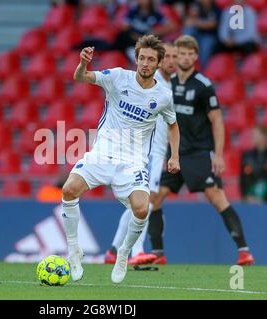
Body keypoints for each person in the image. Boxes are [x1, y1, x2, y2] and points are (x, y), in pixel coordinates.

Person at [61, 34, 181, 284]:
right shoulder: (118, 77)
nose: (145, 63)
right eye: (142, 58)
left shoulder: (163, 96)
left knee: (141, 208)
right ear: (136, 59)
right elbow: (80, 77)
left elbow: (172, 125)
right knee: (69, 189)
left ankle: (124, 252)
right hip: (103, 153)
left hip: (133, 162)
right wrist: (83, 63)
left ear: (158, 63)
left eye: (151, 59)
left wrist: (174, 156)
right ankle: (74, 250)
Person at [138, 35, 255, 266]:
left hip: (198, 153)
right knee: (155, 197)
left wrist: (218, 154)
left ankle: (244, 250)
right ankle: (158, 253)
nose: (185, 57)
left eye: (190, 54)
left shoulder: (203, 85)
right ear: (176, 55)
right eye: (181, 53)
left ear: (195, 57)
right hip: (175, 154)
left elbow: (217, 121)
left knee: (216, 196)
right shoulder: (166, 84)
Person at [104, 42, 178, 265]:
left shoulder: (168, 85)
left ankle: (114, 249)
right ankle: (135, 251)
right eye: (169, 56)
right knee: (145, 202)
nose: (172, 61)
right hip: (148, 151)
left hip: (156, 150)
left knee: (144, 202)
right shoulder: (154, 85)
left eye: (175, 56)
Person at [112, 0, 176, 61]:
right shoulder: (133, 11)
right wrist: (130, 29)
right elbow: (124, 26)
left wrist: (156, 31)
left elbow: (172, 26)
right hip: (132, 38)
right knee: (122, 36)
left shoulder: (155, 13)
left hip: (146, 39)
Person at [240, 126, 267, 203]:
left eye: (255, 135)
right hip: (249, 201)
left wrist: (264, 199)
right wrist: (247, 197)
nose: (252, 137)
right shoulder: (246, 156)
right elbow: (243, 180)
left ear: (264, 137)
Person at [183, 0, 221, 68]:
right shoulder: (196, 6)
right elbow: (187, 22)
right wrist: (202, 23)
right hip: (198, 33)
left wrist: (195, 22)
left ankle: (204, 70)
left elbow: (212, 25)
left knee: (205, 46)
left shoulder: (216, 8)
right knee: (188, 30)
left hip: (210, 36)